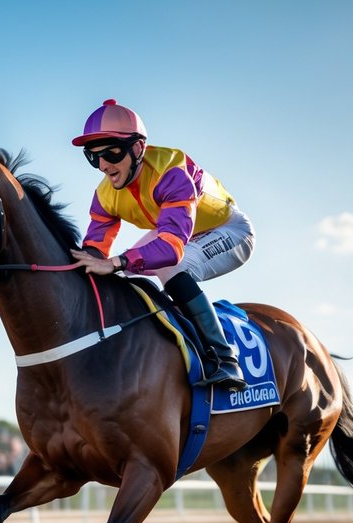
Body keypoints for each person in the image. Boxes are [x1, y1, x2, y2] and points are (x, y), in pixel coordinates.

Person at [68, 99, 253, 390]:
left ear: (137, 148)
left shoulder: (172, 172)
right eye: (93, 156)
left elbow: (170, 250)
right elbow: (95, 251)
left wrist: (116, 261)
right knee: (124, 274)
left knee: (168, 267)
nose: (103, 165)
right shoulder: (104, 195)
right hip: (176, 231)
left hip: (228, 230)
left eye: (111, 153)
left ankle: (224, 358)